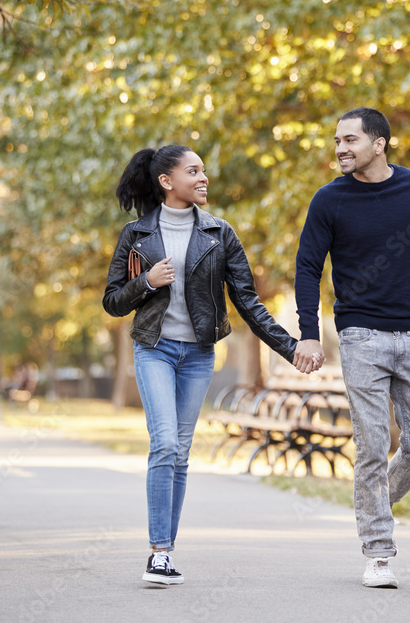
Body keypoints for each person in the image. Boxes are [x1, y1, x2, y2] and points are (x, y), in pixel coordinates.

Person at [103, 144, 319, 586]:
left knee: (180, 453)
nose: (204, 178)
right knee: (164, 443)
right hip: (155, 349)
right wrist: (146, 281)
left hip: (198, 355)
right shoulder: (137, 234)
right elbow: (112, 301)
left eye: (204, 170)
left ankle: (167, 550)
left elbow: (248, 303)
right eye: (193, 171)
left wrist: (290, 347)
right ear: (167, 181)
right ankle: (158, 554)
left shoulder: (220, 233)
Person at [293, 107, 410, 588]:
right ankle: (378, 553)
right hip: (360, 337)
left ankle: (373, 499)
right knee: (373, 447)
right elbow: (307, 268)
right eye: (336, 141)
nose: (340, 148)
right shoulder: (328, 200)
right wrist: (310, 332)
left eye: (350, 140)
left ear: (379, 143)